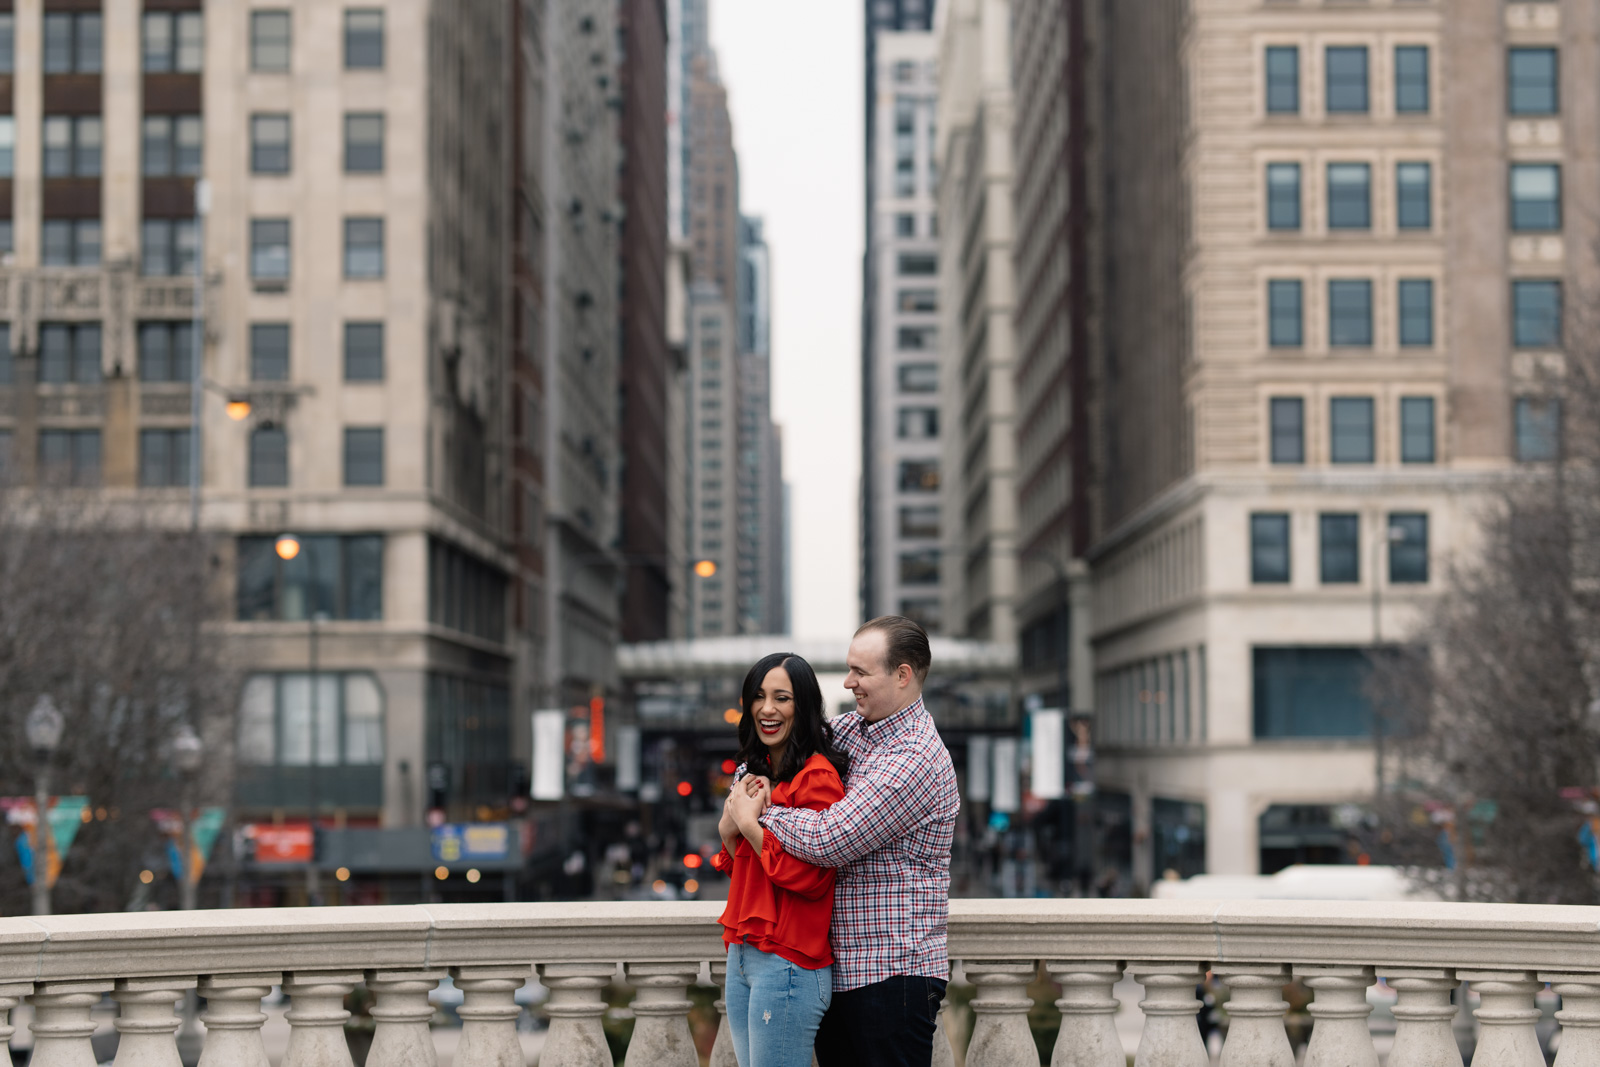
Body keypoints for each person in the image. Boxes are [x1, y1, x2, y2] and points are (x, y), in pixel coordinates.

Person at [729, 616, 958, 1067]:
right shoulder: (854, 729)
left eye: (861, 672)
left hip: (891, 977)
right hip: (842, 970)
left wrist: (757, 815)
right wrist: (748, 787)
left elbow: (830, 837)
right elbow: (776, 745)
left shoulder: (915, 757)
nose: (849, 681)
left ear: (902, 675)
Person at [713, 652, 850, 1067]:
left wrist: (751, 826)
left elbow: (813, 877)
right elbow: (748, 869)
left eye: (782, 698)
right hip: (742, 954)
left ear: (803, 705)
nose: (767, 709)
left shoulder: (818, 777)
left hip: (789, 963)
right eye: (758, 696)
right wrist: (727, 830)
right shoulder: (755, 772)